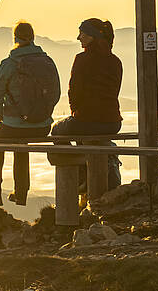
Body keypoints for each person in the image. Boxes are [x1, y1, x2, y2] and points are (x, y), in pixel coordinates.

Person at [0, 21, 59, 205]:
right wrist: (42, 114)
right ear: (33, 37)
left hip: (13, 125)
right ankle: (21, 194)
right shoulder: (47, 62)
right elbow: (56, 93)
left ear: (15, 38)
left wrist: (3, 117)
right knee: (21, 143)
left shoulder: (10, 64)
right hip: (42, 126)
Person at [50, 17, 124, 190]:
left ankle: (82, 173)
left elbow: (74, 91)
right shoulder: (115, 61)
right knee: (83, 133)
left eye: (82, 33)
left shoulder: (82, 59)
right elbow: (114, 91)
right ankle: (97, 164)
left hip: (88, 120)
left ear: (92, 36)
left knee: (57, 131)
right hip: (113, 123)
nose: (78, 38)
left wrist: (76, 113)